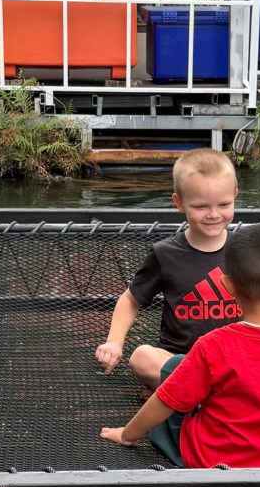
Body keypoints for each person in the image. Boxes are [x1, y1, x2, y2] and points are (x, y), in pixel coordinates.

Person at [100, 222, 260, 468]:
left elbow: (167, 400)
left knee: (176, 369)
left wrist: (126, 434)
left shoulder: (213, 344)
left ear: (228, 286)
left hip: (206, 457)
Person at [95, 149, 239, 395]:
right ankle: (205, 396)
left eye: (224, 204)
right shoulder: (165, 254)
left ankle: (180, 396)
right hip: (179, 359)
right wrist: (114, 341)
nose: (214, 214)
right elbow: (131, 299)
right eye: (201, 206)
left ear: (235, 196)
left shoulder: (245, 250)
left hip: (234, 360)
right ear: (179, 204)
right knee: (141, 358)